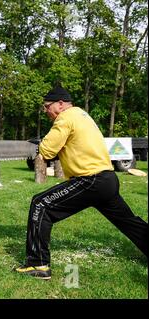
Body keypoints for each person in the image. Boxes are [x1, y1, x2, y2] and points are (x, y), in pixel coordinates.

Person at [15, 84, 148, 280]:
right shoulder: (82, 115)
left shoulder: (65, 118)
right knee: (128, 222)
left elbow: (47, 151)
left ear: (60, 104)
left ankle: (38, 264)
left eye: (47, 106)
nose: (46, 111)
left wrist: (40, 144)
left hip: (90, 179)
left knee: (40, 204)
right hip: (107, 179)